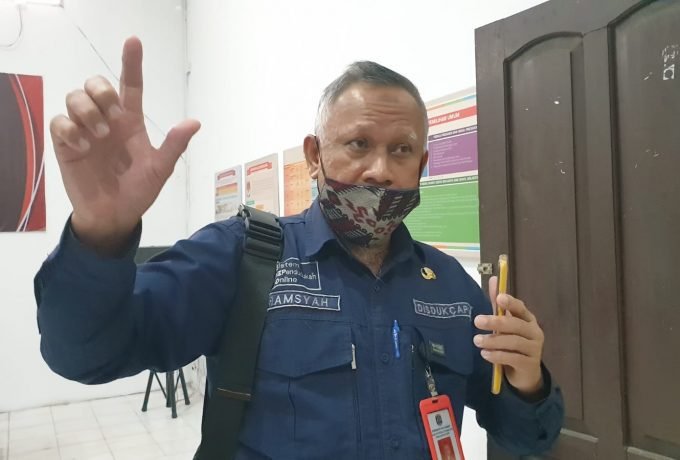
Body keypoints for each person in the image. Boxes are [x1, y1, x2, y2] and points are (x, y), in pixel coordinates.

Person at [36, 36, 564, 459]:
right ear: (314, 155)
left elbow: (525, 438)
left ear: (421, 165)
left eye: (401, 150)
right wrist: (99, 235)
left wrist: (529, 381)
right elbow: (84, 355)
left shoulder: (449, 286)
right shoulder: (242, 257)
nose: (380, 170)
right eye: (358, 144)